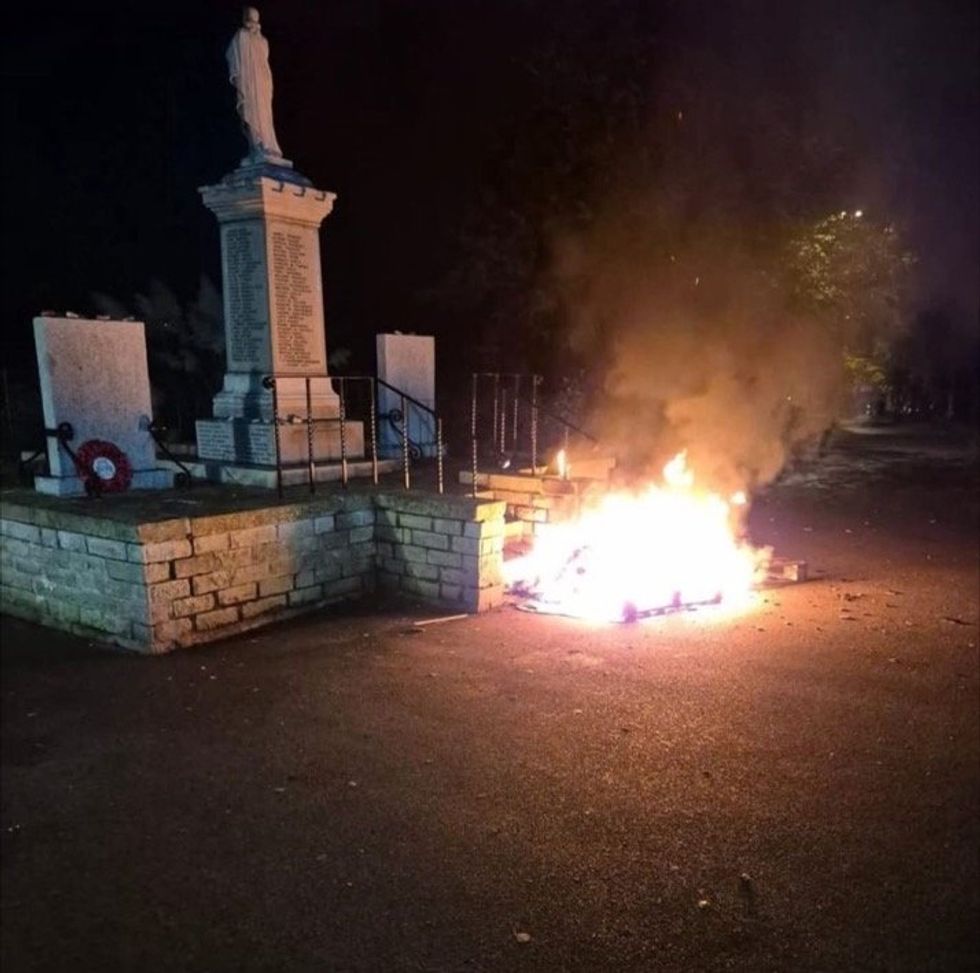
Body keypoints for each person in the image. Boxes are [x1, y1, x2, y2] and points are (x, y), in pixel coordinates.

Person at [226, 7, 283, 162]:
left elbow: (265, 63)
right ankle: (256, 146)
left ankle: (267, 145)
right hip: (249, 83)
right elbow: (231, 53)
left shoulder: (263, 41)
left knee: (264, 116)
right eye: (250, 18)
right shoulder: (241, 36)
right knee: (250, 112)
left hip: (262, 84)